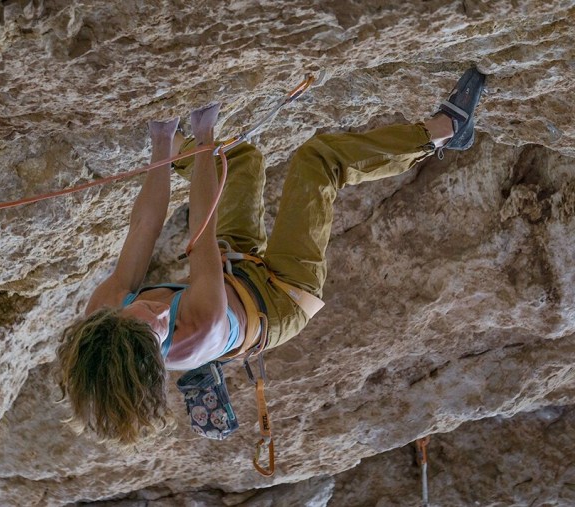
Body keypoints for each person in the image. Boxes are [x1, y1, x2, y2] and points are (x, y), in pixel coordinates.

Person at [57, 67, 487, 444]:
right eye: (159, 334)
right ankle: (446, 129)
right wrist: (204, 135)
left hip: (232, 272)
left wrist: (159, 141)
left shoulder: (103, 310)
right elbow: (201, 230)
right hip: (281, 297)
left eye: (146, 316)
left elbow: (144, 227)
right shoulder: (198, 330)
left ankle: (176, 148)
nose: (162, 314)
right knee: (317, 161)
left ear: (111, 318)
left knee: (237, 161)